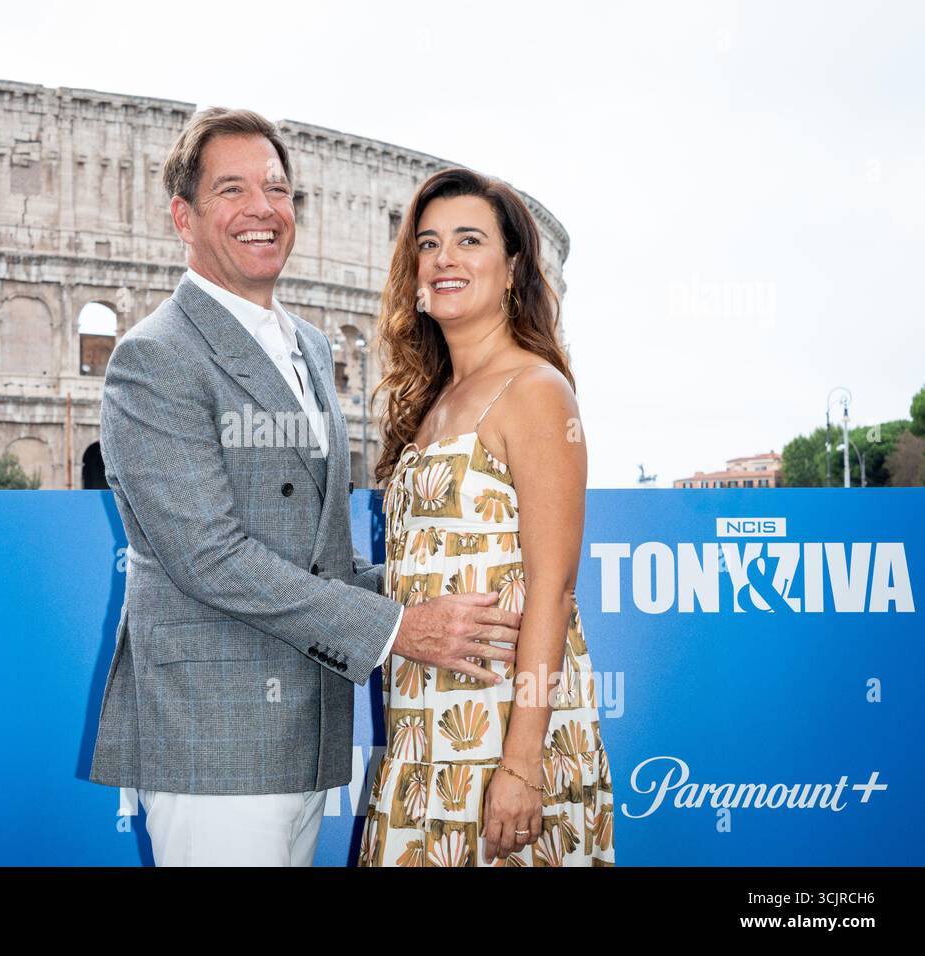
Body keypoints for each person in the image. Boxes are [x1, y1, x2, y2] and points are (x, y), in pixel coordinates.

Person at [86, 109, 524, 866]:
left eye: (278, 189)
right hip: (213, 745)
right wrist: (398, 629)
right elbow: (211, 558)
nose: (263, 208)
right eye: (233, 190)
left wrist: (448, 582)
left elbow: (319, 559)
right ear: (183, 217)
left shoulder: (312, 349)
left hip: (310, 737)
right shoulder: (154, 358)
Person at [357, 167, 616, 867]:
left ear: (511, 270)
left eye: (469, 240)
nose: (444, 258)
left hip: (501, 735)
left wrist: (523, 765)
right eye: (430, 242)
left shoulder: (535, 390)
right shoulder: (433, 402)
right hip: (422, 732)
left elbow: (554, 588)